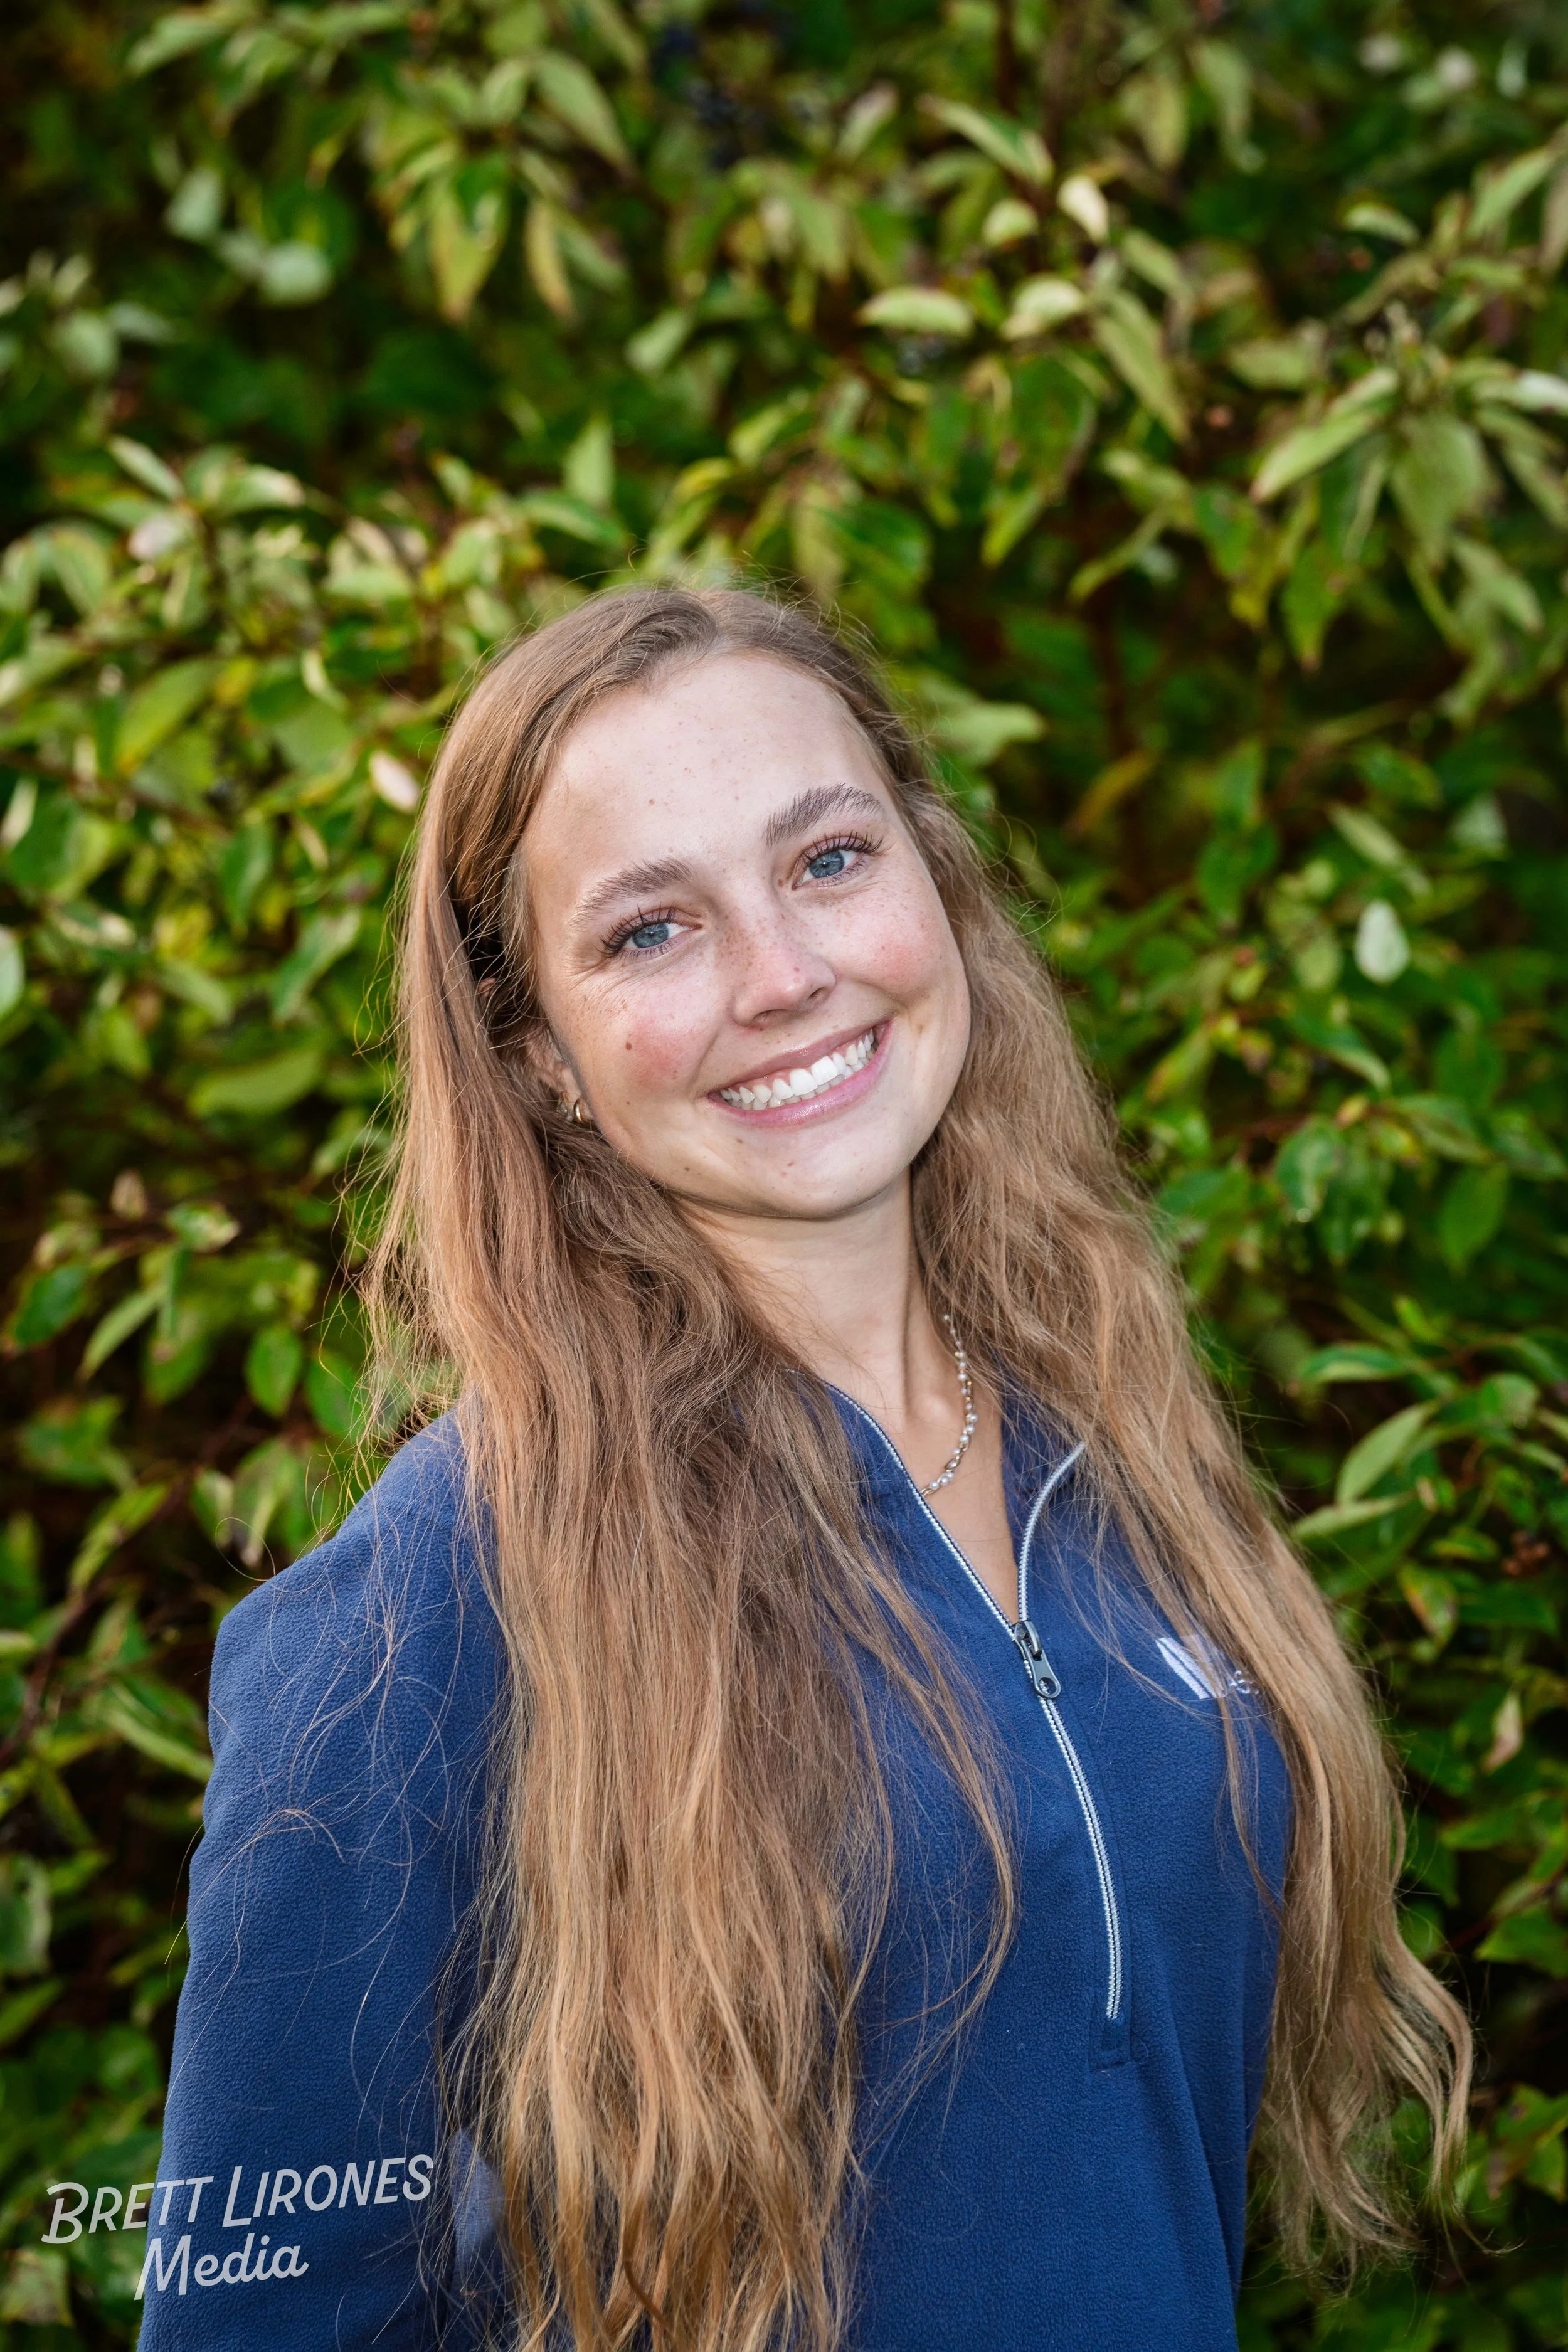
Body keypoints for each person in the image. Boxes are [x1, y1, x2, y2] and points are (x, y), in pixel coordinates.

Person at [140, 588, 1468, 2351]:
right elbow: (246, 2304)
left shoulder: (1118, 1460)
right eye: (649, 930)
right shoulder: (431, 1602)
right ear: (538, 1050)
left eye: (828, 859)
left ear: (935, 881)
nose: (782, 975)